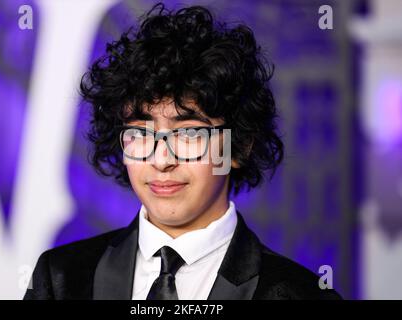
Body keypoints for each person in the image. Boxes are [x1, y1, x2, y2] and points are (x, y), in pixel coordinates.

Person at [24, 2, 342, 300]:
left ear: (240, 145)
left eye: (188, 134)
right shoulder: (61, 280)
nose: (161, 160)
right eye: (140, 133)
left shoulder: (302, 295)